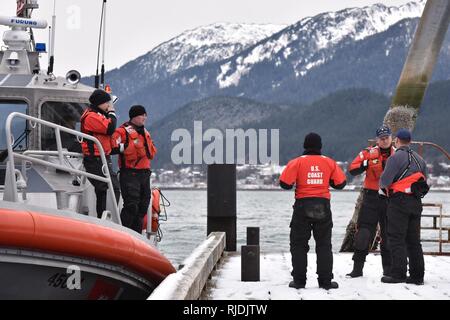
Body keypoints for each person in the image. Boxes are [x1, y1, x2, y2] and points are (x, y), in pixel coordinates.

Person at [279, 133, 347, 290]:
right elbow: (341, 183)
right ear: (320, 146)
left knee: (298, 244)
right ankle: (325, 281)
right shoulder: (329, 162)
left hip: (302, 205)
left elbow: (285, 183)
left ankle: (299, 281)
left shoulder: (296, 162)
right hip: (322, 205)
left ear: (305, 145)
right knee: (323, 244)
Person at [380, 129, 429, 285]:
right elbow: (424, 180)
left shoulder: (395, 158)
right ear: (410, 141)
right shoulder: (420, 160)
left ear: (397, 141)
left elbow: (384, 181)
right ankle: (417, 276)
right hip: (415, 201)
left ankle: (398, 274)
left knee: (396, 238)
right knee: (414, 240)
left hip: (399, 201)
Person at [346, 125, 395, 278]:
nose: (384, 140)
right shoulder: (368, 153)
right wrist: (366, 164)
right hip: (371, 197)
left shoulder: (398, 154)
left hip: (390, 198)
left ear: (391, 138)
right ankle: (357, 269)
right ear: (377, 140)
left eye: (387, 137)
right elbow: (352, 169)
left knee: (388, 234)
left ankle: (388, 270)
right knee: (364, 234)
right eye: (381, 138)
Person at [113, 105, 157, 233]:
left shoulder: (145, 133)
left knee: (143, 206)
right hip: (130, 174)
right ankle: (123, 233)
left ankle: (136, 235)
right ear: (134, 117)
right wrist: (124, 147)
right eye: (141, 115)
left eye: (145, 115)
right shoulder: (122, 131)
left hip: (144, 174)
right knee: (131, 205)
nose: (144, 117)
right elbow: (111, 146)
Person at [80, 89, 120, 218]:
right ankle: (104, 217)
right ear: (99, 103)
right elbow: (109, 128)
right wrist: (112, 113)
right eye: (106, 102)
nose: (108, 105)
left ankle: (104, 216)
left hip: (102, 158)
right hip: (95, 160)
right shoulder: (91, 117)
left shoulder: (98, 115)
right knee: (106, 188)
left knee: (106, 188)